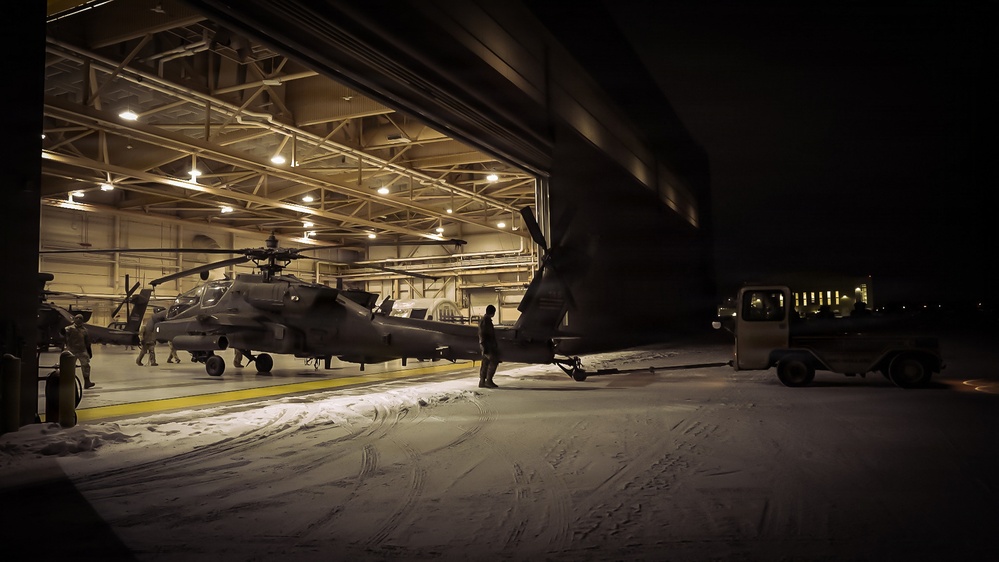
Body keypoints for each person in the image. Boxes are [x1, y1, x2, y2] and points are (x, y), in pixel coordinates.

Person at [64, 314, 95, 389]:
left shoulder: (84, 331)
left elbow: (87, 342)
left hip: (81, 351)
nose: (78, 319)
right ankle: (69, 383)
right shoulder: (68, 329)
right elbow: (65, 340)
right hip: (71, 351)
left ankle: (87, 382)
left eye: (80, 318)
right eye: (77, 318)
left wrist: (89, 352)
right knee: (70, 367)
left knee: (86, 366)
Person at [477, 304, 500, 388]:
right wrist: (485, 347)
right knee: (494, 361)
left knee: (485, 363)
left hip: (485, 345)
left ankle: (482, 381)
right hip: (487, 346)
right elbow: (483, 335)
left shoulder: (485, 320)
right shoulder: (486, 321)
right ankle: (488, 380)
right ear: (493, 313)